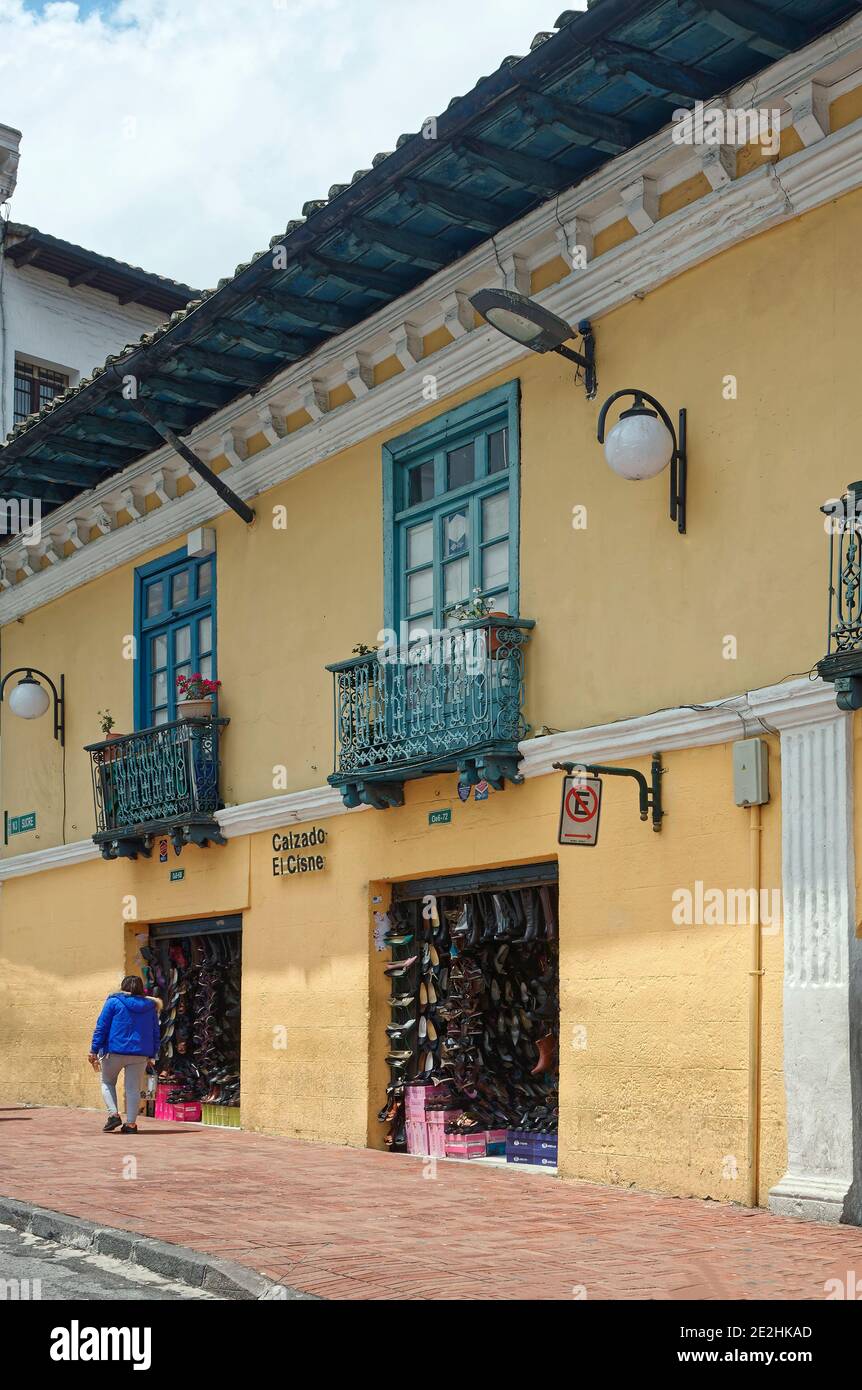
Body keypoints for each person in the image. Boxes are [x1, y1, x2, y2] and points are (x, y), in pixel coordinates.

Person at [89, 975, 161, 1133]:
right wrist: (153, 1054)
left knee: (107, 1082)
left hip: (114, 1051)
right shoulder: (151, 1006)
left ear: (123, 986)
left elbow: (102, 1027)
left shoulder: (113, 1002)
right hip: (140, 1053)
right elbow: (156, 1031)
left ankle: (113, 1114)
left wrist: (94, 1049)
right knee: (133, 1089)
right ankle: (130, 1124)